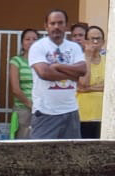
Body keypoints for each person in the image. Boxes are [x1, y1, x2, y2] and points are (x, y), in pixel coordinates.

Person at [29, 9, 86, 140]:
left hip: (71, 112)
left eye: (60, 23)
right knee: (40, 155)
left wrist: (58, 66)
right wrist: (72, 74)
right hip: (45, 113)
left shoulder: (74, 47)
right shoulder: (38, 47)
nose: (56, 27)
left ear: (66, 25)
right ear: (46, 26)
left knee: (71, 156)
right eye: (52, 23)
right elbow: (44, 73)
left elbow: (82, 70)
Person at [8, 28, 40, 139]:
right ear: (22, 42)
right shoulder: (16, 61)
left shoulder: (42, 63)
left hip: (41, 109)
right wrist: (31, 105)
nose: (31, 42)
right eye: (27, 39)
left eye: (35, 39)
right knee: (22, 144)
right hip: (23, 109)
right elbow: (15, 89)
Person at [77, 24, 105, 139]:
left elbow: (109, 86)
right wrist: (88, 57)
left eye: (98, 38)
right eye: (91, 39)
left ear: (103, 41)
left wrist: (88, 89)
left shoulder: (108, 61)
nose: (95, 42)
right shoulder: (78, 60)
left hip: (102, 115)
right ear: (85, 41)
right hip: (83, 116)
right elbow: (83, 84)